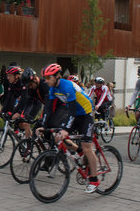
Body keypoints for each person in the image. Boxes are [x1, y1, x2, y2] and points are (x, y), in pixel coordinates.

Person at [39, 63, 100, 194]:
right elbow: (48, 109)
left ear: (57, 76)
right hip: (75, 114)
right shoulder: (52, 89)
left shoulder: (66, 86)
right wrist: (43, 126)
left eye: (49, 77)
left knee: (87, 146)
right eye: (45, 77)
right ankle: (79, 152)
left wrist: (66, 129)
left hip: (86, 113)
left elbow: (72, 110)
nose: (46, 80)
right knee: (58, 137)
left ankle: (94, 179)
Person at [17, 67, 49, 137]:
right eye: (28, 86)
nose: (30, 87)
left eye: (30, 85)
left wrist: (42, 118)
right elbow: (29, 103)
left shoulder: (45, 85)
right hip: (48, 106)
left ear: (35, 79)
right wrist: (23, 116)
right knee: (35, 130)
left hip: (56, 107)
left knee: (44, 130)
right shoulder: (31, 89)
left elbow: (48, 105)